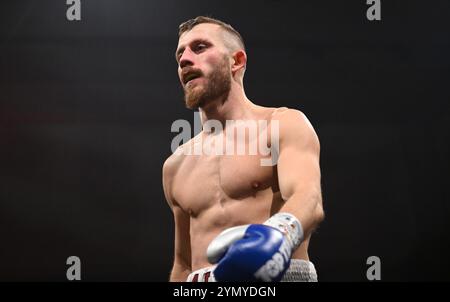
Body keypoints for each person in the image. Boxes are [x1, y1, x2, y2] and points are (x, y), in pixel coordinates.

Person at [162, 16, 324, 282]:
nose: (184, 59)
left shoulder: (281, 125)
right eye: (180, 53)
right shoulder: (175, 166)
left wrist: (276, 237)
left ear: (236, 61)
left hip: (275, 278)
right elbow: (183, 264)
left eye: (199, 47)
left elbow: (309, 198)